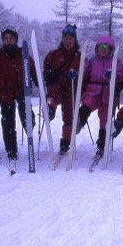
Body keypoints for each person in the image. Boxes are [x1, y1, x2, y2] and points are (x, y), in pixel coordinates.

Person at [0, 27, 38, 160]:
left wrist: (39, 83)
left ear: (15, 39)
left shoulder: (23, 54)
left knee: (26, 113)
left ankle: (29, 127)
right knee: (8, 122)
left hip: (21, 90)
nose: (8, 41)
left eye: (11, 38)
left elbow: (32, 70)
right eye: (6, 38)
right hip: (5, 92)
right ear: (3, 40)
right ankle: (11, 150)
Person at [76, 34, 123, 159]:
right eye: (100, 47)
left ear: (110, 48)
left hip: (108, 92)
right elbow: (85, 73)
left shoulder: (116, 61)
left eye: (105, 47)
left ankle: (101, 145)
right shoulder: (93, 60)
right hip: (93, 89)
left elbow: (122, 74)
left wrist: (114, 75)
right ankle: (79, 122)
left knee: (105, 119)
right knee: (87, 104)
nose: (103, 49)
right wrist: (79, 74)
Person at [43, 24, 82, 155]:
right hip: (57, 86)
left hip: (71, 89)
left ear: (75, 39)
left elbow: (85, 72)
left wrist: (76, 74)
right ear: (62, 39)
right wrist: (48, 73)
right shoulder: (53, 54)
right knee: (52, 94)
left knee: (69, 117)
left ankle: (65, 142)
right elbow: (45, 69)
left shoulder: (79, 56)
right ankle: (50, 108)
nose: (68, 41)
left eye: (71, 38)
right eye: (65, 38)